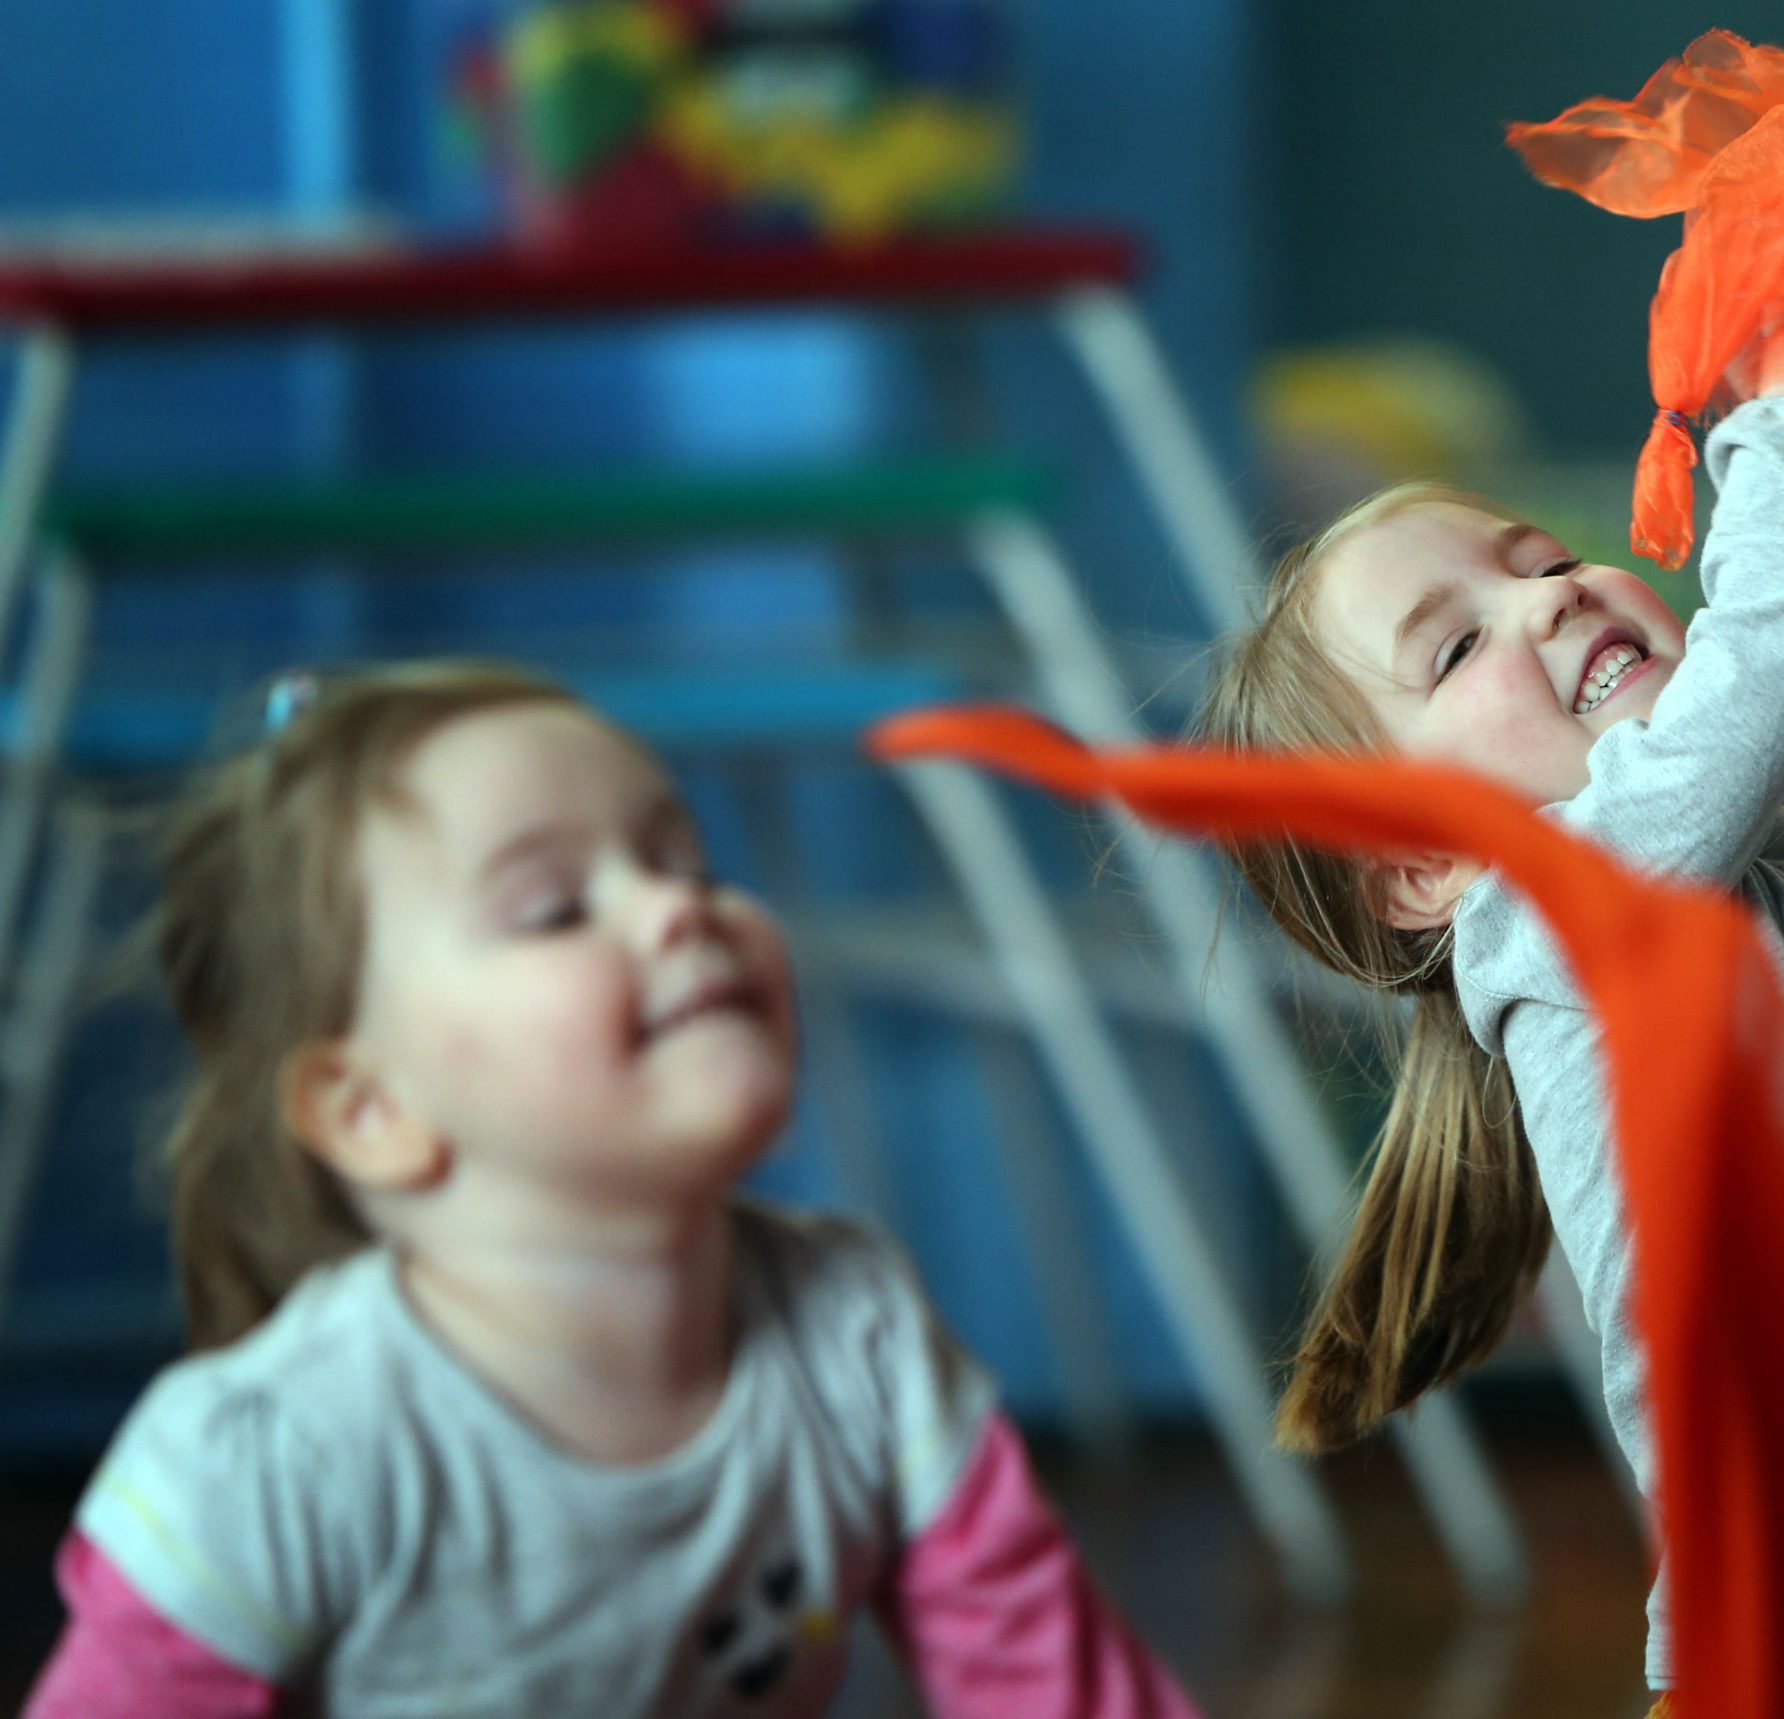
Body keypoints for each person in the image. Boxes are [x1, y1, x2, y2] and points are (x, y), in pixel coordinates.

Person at [1195, 324, 1784, 1718]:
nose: (1547, 599)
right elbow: (1783, 632)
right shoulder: (1560, 917)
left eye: (1540, 558)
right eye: (1459, 643)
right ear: (1425, 862)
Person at [22, 661, 1199, 1719]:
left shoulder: (857, 1331)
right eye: (554, 907)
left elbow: (1050, 1685)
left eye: (689, 861)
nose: (680, 907)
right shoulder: (277, 1461)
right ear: (371, 1111)